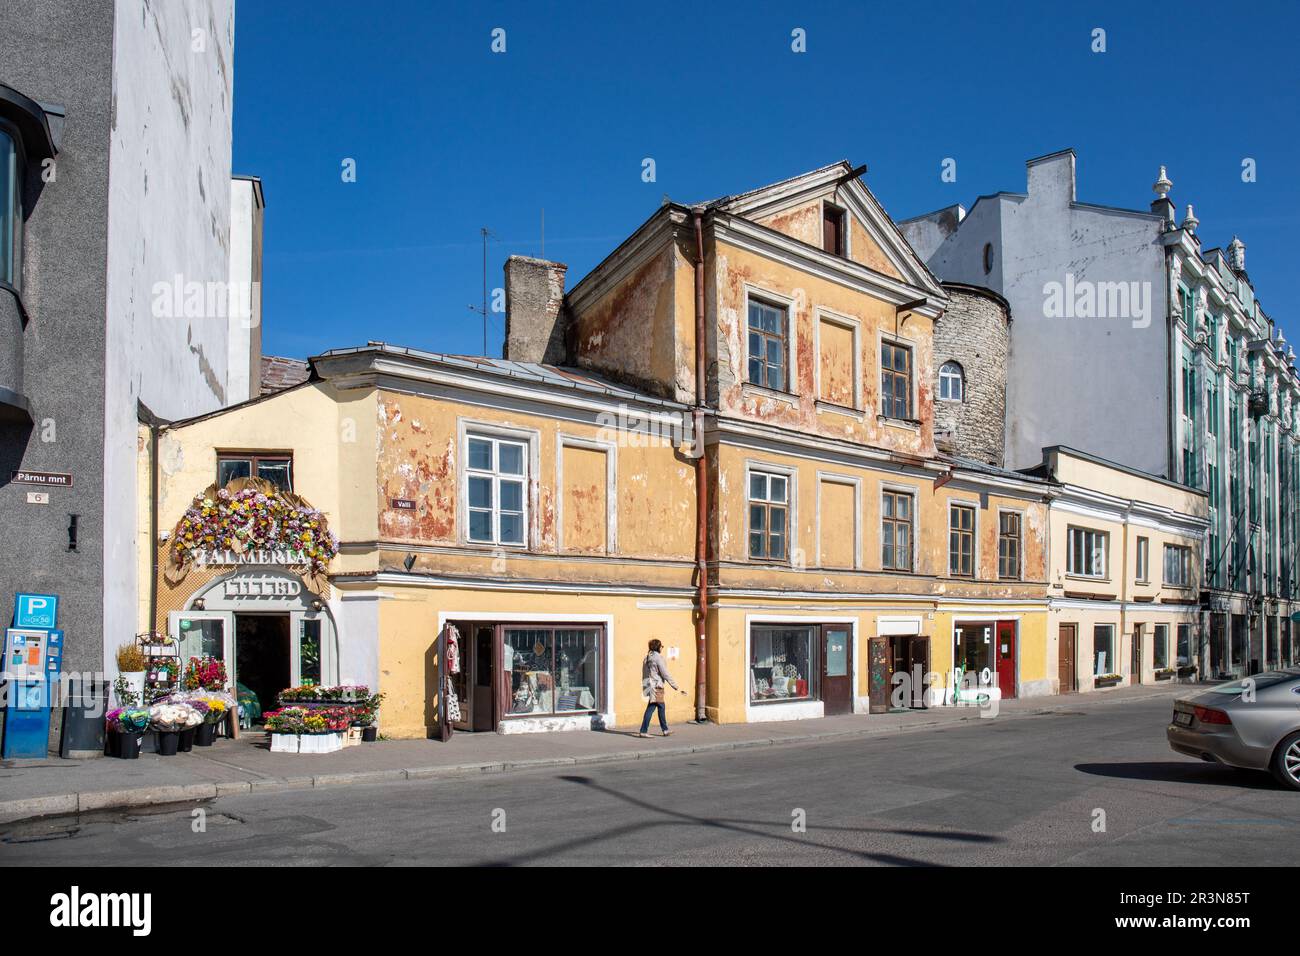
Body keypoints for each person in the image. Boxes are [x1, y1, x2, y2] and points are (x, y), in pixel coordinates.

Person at [638, 639, 685, 737]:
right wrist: (674, 685)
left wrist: (646, 688)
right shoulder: (658, 658)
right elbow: (665, 673)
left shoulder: (647, 658)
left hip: (650, 686)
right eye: (661, 646)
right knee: (660, 707)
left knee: (654, 707)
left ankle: (661, 730)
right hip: (657, 686)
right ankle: (654, 730)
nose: (662, 648)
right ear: (657, 647)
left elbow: (645, 674)